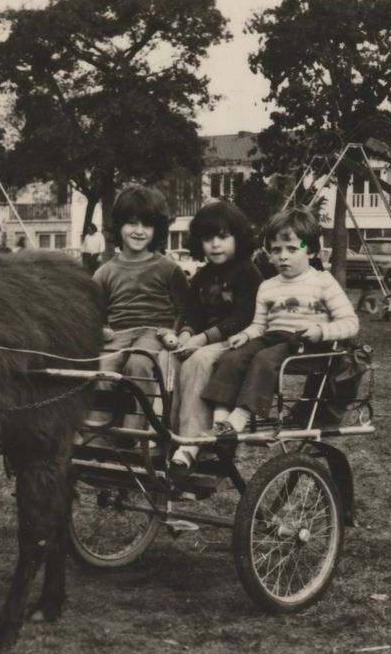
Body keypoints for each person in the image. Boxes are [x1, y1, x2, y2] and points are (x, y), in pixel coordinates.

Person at [200, 207, 359, 438]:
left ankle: (238, 420)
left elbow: (350, 322)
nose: (283, 256)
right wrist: (245, 335)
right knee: (231, 358)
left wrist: (321, 331)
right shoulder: (268, 286)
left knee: (265, 358)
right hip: (273, 339)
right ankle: (219, 423)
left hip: (309, 345)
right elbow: (260, 325)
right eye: (276, 250)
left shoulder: (323, 282)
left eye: (292, 249)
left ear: (311, 251)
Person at [168, 201, 263, 470]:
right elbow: (192, 312)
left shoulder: (248, 273)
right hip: (206, 341)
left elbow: (242, 318)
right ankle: (168, 435)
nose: (215, 245)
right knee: (168, 360)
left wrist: (201, 339)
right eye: (208, 238)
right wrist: (186, 333)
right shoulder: (202, 276)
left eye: (223, 237)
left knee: (198, 361)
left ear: (238, 237)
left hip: (238, 342)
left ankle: (191, 442)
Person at [94, 185, 190, 428]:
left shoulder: (169, 269)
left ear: (157, 229)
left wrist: (174, 332)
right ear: (118, 225)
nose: (139, 231)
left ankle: (134, 433)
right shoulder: (105, 272)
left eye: (147, 225)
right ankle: (99, 438)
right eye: (131, 223)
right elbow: (95, 313)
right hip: (118, 336)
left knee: (138, 363)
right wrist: (101, 329)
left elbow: (184, 310)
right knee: (101, 370)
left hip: (154, 334)